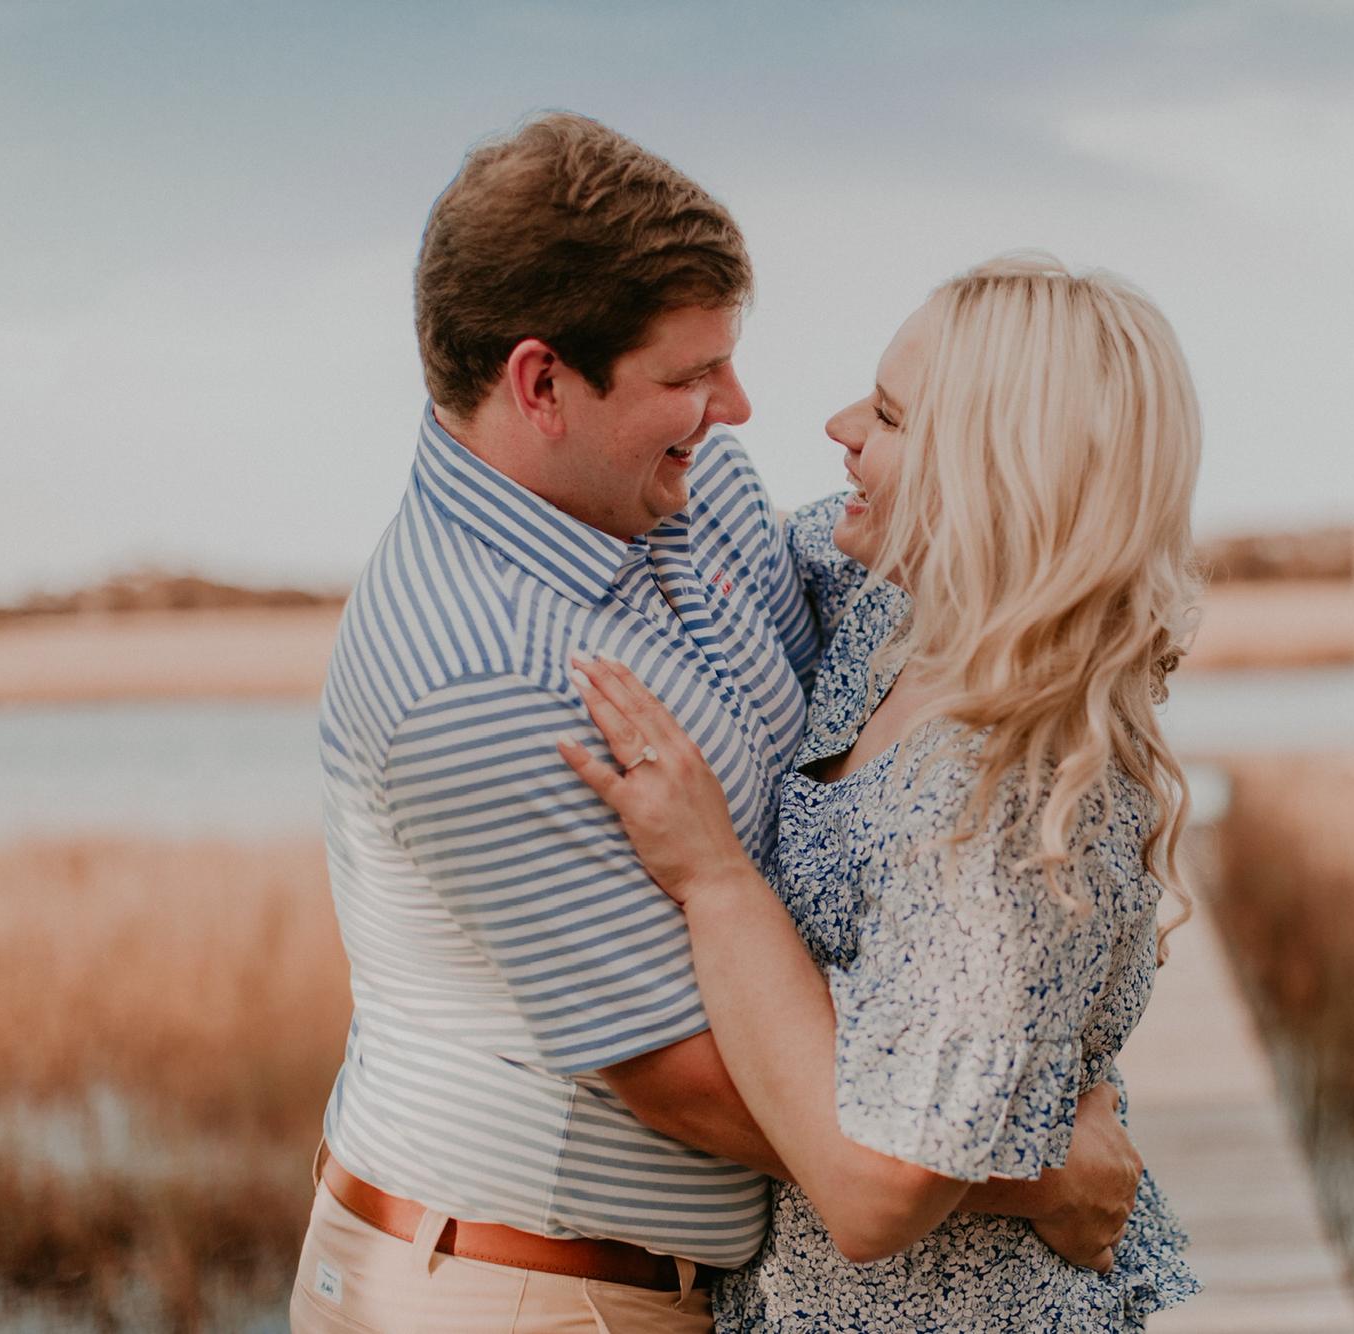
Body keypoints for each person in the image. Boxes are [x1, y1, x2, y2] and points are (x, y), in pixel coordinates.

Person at [291, 117, 1139, 1334]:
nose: (735, 406)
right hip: (526, 1288)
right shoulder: (470, 680)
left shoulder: (696, 490)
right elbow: (685, 1080)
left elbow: (942, 582)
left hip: (692, 1288)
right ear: (541, 383)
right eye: (689, 377)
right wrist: (1036, 1166)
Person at [558, 255, 1205, 1330]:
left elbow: (876, 1191)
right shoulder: (889, 601)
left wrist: (713, 873)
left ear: (998, 475)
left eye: (891, 416)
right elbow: (691, 532)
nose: (840, 426)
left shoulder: (1016, 791)